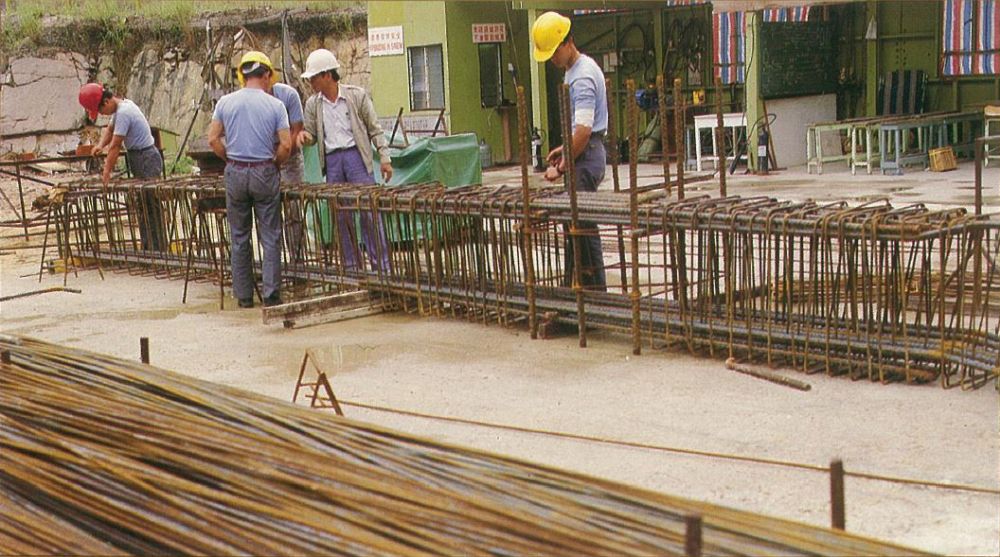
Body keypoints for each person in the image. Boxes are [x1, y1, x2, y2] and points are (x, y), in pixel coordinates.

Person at [296, 48, 393, 273]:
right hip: (333, 161)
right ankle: (351, 267)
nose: (311, 82)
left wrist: (385, 158)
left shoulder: (356, 96)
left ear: (327, 75)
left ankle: (382, 267)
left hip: (355, 156)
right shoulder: (313, 104)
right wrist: (305, 137)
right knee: (341, 214)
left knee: (368, 210)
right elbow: (312, 134)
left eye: (314, 77)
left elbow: (374, 129)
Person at [207, 51, 291, 308]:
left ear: (243, 76)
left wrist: (230, 159)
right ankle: (271, 295)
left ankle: (244, 297)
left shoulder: (225, 103)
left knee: (239, 236)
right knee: (270, 235)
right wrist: (274, 164)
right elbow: (286, 144)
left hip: (235, 171)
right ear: (266, 75)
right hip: (264, 171)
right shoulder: (275, 105)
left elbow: (213, 139)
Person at [532, 11, 608, 291]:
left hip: (587, 157)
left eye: (554, 52)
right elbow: (581, 130)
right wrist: (565, 148)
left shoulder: (582, 77)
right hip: (586, 152)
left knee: (583, 228)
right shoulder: (577, 69)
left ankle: (596, 295)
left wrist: (562, 165)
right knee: (575, 227)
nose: (552, 59)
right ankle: (578, 291)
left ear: (567, 42)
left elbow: (584, 131)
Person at [78, 82, 165, 251]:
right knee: (143, 205)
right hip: (139, 157)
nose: (102, 115)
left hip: (146, 158)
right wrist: (100, 145)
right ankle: (149, 248)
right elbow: (110, 131)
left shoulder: (124, 112)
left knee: (151, 206)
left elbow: (116, 145)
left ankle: (158, 249)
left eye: (101, 111)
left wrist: (106, 171)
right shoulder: (121, 108)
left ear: (106, 102)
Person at [268, 80, 307, 260]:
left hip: (290, 158)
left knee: (293, 211)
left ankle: (297, 259)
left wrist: (281, 155)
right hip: (265, 160)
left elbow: (297, 129)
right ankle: (274, 262)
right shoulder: (249, 99)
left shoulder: (288, 95)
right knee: (269, 213)